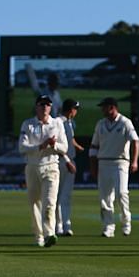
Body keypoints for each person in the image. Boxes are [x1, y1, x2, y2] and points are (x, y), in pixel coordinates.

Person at [18, 95, 68, 247]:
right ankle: (39, 236)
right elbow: (22, 147)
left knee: (49, 203)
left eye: (48, 105)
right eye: (42, 104)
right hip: (32, 167)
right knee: (34, 203)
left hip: (51, 166)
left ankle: (49, 234)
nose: (45, 107)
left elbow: (64, 147)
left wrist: (53, 145)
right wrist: (40, 146)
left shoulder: (57, 123)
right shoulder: (28, 124)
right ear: (37, 107)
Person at [89, 97, 139, 238]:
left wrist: (134, 161)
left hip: (120, 162)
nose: (102, 110)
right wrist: (93, 166)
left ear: (112, 107)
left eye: (104, 107)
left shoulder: (125, 122)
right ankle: (108, 227)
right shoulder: (100, 124)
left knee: (121, 193)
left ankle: (126, 223)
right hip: (103, 162)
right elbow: (94, 147)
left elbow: (135, 141)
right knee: (105, 198)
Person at [56, 99, 84, 236]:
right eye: (76, 109)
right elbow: (56, 143)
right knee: (57, 195)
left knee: (66, 196)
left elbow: (70, 139)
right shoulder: (58, 122)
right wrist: (66, 159)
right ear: (71, 109)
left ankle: (66, 225)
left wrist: (77, 146)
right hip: (61, 161)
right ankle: (58, 225)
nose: (76, 112)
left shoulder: (69, 123)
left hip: (70, 161)